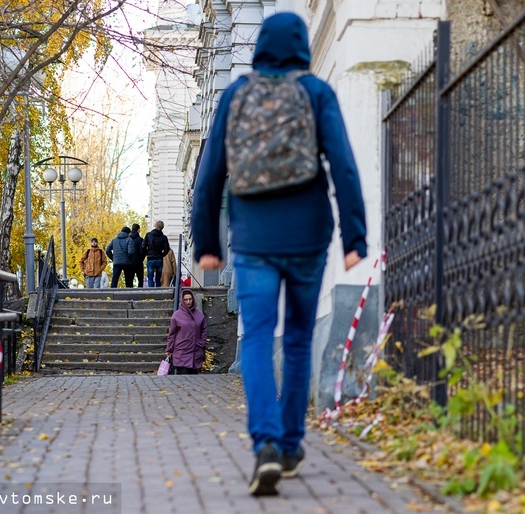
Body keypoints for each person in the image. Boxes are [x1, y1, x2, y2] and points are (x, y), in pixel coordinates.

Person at [191, 12, 367, 497]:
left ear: (261, 47)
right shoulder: (316, 92)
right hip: (308, 237)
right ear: (302, 47)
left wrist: (206, 243)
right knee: (297, 339)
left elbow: (210, 175)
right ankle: (290, 445)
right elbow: (346, 167)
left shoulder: (235, 94)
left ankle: (264, 442)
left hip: (252, 241)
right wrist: (355, 239)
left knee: (256, 338)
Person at [166, 288, 207, 374]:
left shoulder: (199, 314)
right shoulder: (177, 315)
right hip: (182, 351)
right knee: (183, 379)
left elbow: (203, 330)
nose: (188, 302)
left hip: (196, 351)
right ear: (182, 301)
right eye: (186, 300)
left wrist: (202, 343)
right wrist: (169, 348)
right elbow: (172, 333)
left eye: (190, 299)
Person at [142, 221, 170, 287]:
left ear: (155, 226)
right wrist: (161, 255)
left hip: (150, 258)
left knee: (150, 277)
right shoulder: (164, 237)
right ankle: (158, 294)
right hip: (159, 259)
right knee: (158, 278)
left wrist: (147, 253)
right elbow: (167, 249)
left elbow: (143, 246)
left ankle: (151, 293)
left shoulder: (148, 235)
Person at [129, 223, 145, 288]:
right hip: (139, 262)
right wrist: (142, 259)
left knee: (130, 279)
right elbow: (143, 251)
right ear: (138, 230)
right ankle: (140, 293)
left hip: (130, 262)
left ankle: (129, 295)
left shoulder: (128, 239)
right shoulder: (140, 240)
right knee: (140, 279)